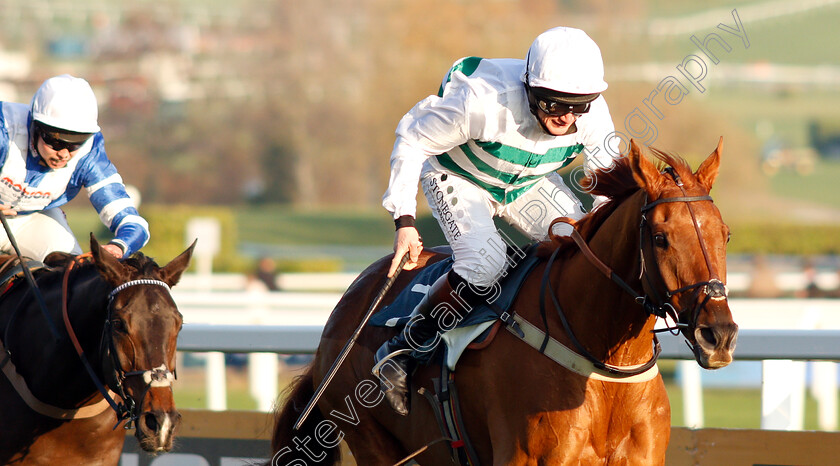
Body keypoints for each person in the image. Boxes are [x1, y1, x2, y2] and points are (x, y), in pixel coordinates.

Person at [375, 27, 620, 415]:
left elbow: (608, 184)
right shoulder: (481, 101)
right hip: (459, 176)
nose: (567, 117)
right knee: (486, 263)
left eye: (579, 106)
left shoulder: (592, 113)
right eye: (553, 104)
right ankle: (404, 348)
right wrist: (404, 219)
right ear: (529, 88)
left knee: (584, 249)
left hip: (527, 184)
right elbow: (411, 138)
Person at [0, 74, 149, 261]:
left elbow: (132, 221)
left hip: (31, 218)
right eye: (55, 142)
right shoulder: (4, 129)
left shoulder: (90, 153)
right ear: (35, 127)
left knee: (73, 275)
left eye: (75, 143)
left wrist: (119, 246)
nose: (64, 153)